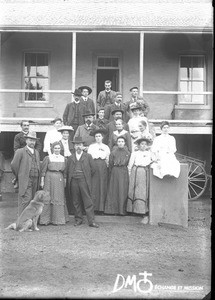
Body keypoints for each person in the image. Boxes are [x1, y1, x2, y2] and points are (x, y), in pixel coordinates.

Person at [66, 137, 99, 228]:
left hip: (83, 180)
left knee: (87, 200)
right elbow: (67, 170)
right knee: (76, 201)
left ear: (83, 146)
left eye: (80, 145)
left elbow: (93, 169)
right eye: (76, 145)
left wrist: (85, 176)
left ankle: (91, 221)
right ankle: (78, 220)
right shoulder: (70, 157)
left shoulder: (88, 156)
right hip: (73, 181)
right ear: (74, 146)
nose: (78, 147)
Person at [11, 131, 41, 216]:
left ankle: (29, 221)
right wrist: (20, 175)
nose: (32, 142)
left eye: (34, 141)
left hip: (36, 179)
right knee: (26, 199)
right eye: (30, 140)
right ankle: (22, 221)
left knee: (33, 200)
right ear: (26, 140)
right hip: (26, 179)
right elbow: (14, 165)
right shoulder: (20, 151)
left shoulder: (37, 153)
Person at [39, 141, 69, 225]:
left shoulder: (64, 159)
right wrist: (42, 181)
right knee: (48, 197)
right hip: (48, 179)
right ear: (52, 149)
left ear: (61, 149)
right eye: (55, 148)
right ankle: (45, 220)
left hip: (59, 179)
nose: (57, 150)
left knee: (58, 197)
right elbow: (43, 171)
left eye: (58, 148)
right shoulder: (48, 158)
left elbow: (65, 172)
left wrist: (65, 181)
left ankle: (57, 220)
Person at [127, 137, 153, 224]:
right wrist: (130, 173)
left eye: (145, 144)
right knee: (134, 190)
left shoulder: (149, 153)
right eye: (142, 144)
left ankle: (142, 210)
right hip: (136, 171)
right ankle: (132, 210)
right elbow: (130, 165)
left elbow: (153, 161)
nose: (143, 146)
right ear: (138, 145)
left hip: (145, 172)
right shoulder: (134, 153)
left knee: (143, 191)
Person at [105, 136, 130, 215]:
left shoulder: (128, 153)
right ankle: (113, 210)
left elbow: (129, 163)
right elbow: (111, 164)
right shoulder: (113, 152)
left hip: (124, 172)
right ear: (116, 143)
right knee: (114, 190)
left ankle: (122, 210)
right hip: (115, 172)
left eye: (122, 141)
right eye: (119, 141)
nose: (120, 143)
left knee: (123, 190)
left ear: (124, 143)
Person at [87, 129, 110, 213]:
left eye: (99, 136)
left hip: (103, 166)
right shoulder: (91, 147)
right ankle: (93, 207)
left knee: (102, 185)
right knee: (94, 186)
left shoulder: (106, 147)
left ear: (102, 137)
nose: (98, 138)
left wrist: (106, 166)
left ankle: (101, 208)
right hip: (94, 165)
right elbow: (89, 158)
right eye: (96, 136)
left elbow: (107, 159)